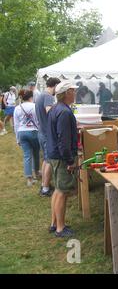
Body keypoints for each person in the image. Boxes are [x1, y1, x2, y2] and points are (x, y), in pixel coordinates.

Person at [47, 80, 79, 238]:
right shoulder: (64, 112)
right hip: (61, 156)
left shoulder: (56, 108)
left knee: (57, 190)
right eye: (73, 90)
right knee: (62, 191)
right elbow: (64, 140)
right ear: (67, 93)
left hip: (54, 154)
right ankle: (60, 228)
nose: (75, 93)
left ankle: (55, 223)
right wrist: (70, 160)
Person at [35, 77, 61, 197]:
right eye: (58, 87)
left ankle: (44, 185)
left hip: (41, 131)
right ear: (55, 85)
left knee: (46, 160)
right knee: (50, 160)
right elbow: (50, 112)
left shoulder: (40, 95)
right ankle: (45, 189)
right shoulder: (48, 96)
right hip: (47, 133)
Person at [14, 90, 40, 187]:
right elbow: (38, 120)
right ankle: (37, 173)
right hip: (34, 131)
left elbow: (16, 124)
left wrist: (17, 138)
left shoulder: (17, 108)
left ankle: (29, 179)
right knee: (36, 153)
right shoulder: (35, 106)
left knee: (27, 155)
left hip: (22, 132)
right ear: (31, 97)